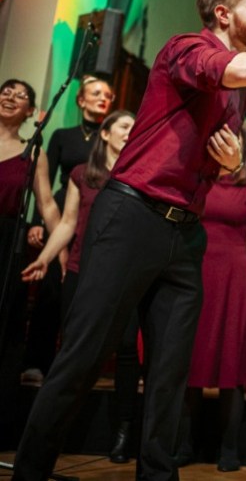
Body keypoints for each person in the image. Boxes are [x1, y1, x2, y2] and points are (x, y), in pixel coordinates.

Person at [12, 0, 246, 481]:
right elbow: (231, 69)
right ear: (224, 14)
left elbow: (217, 157)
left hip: (185, 233)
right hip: (132, 216)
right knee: (82, 357)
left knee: (169, 375)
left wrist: (231, 166)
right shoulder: (187, 47)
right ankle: (30, 472)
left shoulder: (240, 94)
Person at [20, 111, 138, 463]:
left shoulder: (140, 174)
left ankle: (122, 431)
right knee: (74, 349)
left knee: (128, 351)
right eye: (124, 127)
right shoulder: (82, 173)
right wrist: (46, 256)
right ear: (105, 134)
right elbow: (68, 221)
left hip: (127, 276)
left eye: (135, 127)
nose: (130, 133)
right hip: (82, 271)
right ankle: (56, 432)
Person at [179, 120, 246, 472]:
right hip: (193, 268)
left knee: (231, 361)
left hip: (234, 277)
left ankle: (229, 448)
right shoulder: (196, 177)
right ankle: (184, 443)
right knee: (190, 356)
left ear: (242, 142)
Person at [22, 74, 114, 382]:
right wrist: (37, 222)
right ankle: (37, 361)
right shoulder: (63, 134)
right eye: (97, 93)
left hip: (97, 214)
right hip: (63, 209)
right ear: (81, 99)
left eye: (108, 95)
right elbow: (44, 185)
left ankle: (74, 367)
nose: (103, 98)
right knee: (50, 290)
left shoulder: (113, 136)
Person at [0, 79, 60, 408]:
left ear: (30, 112)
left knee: (7, 327)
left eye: (19, 95)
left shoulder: (34, 153)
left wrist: (59, 253)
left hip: (8, 243)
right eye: (5, 91)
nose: (10, 98)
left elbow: (48, 204)